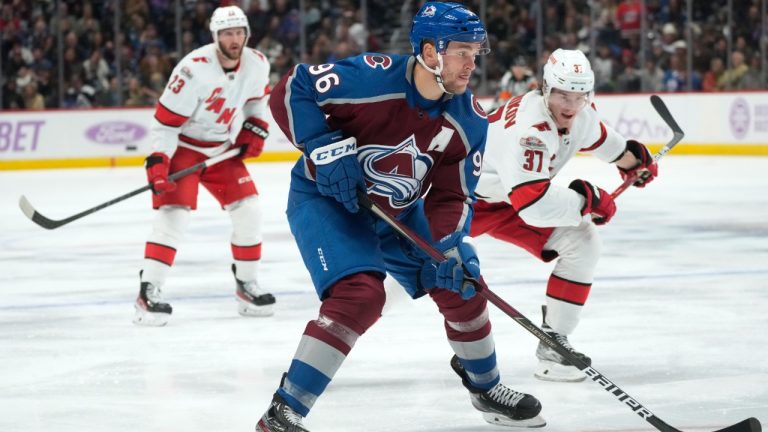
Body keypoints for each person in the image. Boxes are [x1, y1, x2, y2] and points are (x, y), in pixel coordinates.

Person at [258, 2, 545, 431]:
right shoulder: (370, 77)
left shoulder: (468, 119)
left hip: (398, 209)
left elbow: (453, 195)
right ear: (430, 52)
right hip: (326, 200)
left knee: (464, 280)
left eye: (475, 52)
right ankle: (284, 412)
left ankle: (486, 388)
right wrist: (321, 145)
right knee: (360, 296)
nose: (472, 64)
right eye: (461, 52)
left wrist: (447, 246)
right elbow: (291, 88)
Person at [471, 48, 658, 382]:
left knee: (582, 241)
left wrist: (634, 163)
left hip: (506, 199)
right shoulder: (531, 130)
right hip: (456, 199)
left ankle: (554, 349)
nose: (570, 106)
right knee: (403, 275)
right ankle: (343, 331)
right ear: (545, 89)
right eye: (561, 95)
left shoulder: (581, 114)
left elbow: (610, 145)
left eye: (579, 96)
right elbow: (534, 206)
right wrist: (588, 200)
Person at [133, 5, 276, 326]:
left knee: (249, 210)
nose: (234, 39)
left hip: (220, 151)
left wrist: (255, 126)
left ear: (247, 34)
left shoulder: (257, 64)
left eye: (239, 32)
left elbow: (256, 101)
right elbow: (166, 124)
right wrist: (159, 161)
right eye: (227, 33)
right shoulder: (193, 69)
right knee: (174, 218)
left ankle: (246, 285)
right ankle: (148, 291)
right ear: (216, 36)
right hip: (183, 148)